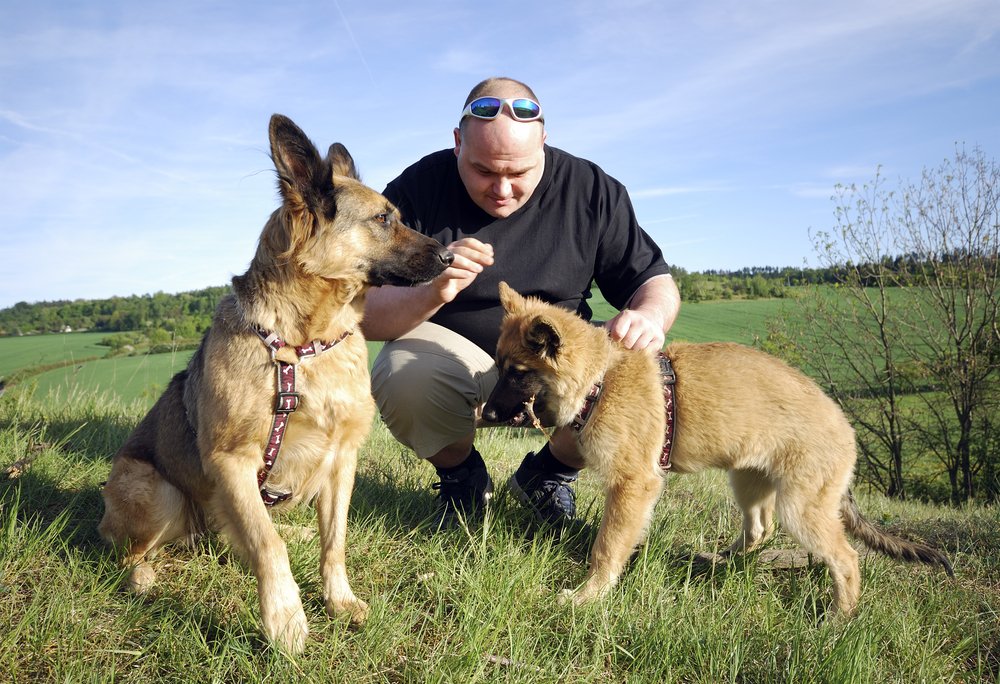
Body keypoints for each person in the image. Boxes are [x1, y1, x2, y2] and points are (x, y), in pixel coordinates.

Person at [361, 77, 680, 527]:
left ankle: (549, 475)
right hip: (454, 359)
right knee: (401, 374)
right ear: (457, 144)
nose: (502, 189)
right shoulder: (417, 190)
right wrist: (433, 290)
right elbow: (365, 315)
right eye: (485, 171)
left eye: (518, 173)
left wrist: (649, 316)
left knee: (627, 364)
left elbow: (655, 282)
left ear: (544, 143)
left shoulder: (592, 190)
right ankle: (462, 478)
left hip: (556, 364)